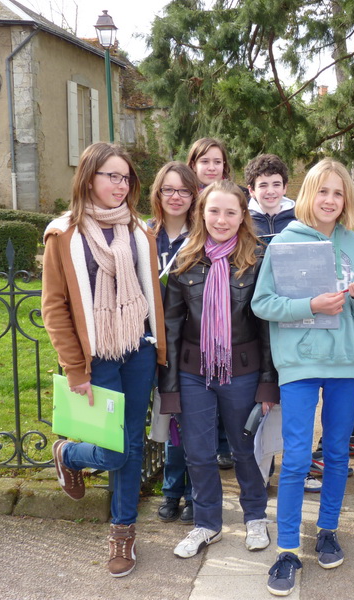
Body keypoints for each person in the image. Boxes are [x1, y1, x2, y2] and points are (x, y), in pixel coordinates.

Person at [251, 158, 354, 597]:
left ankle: (327, 531)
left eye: (338, 193)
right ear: (308, 194)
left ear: (346, 200)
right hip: (299, 364)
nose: (330, 200)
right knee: (297, 458)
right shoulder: (284, 242)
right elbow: (263, 304)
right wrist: (311, 306)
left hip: (346, 363)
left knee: (337, 453)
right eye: (323, 190)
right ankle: (287, 549)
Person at [43, 142, 167, 577]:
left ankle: (122, 532)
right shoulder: (63, 234)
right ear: (88, 177)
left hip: (138, 350)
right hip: (98, 357)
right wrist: (75, 368)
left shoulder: (138, 230)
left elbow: (150, 293)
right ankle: (69, 454)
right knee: (114, 452)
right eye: (111, 176)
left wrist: (158, 348)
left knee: (132, 445)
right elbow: (54, 307)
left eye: (126, 177)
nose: (121, 185)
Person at [159, 180, 278, 558]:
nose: (221, 220)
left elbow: (267, 326)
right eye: (214, 211)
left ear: (243, 215)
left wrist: (267, 383)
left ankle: (255, 516)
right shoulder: (185, 259)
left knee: (246, 449)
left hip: (243, 371)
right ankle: (206, 523)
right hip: (193, 373)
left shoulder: (258, 258)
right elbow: (171, 328)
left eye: (230, 212)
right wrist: (170, 388)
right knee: (198, 452)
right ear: (201, 213)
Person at [148, 161, 199, 524]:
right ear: (158, 193)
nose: (176, 197)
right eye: (169, 189)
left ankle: (195, 493)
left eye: (183, 190)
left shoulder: (201, 236)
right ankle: (171, 490)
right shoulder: (144, 234)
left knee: (192, 420)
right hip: (152, 338)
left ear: (194, 195)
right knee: (166, 416)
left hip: (191, 340)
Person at [186, 137, 238, 468]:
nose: (211, 167)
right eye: (204, 161)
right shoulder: (185, 202)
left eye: (217, 161)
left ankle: (226, 446)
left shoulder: (233, 201)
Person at [245, 153, 297, 238]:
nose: (270, 191)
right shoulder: (243, 222)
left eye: (276, 185)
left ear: (284, 188)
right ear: (251, 190)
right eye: (263, 185)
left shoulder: (299, 220)